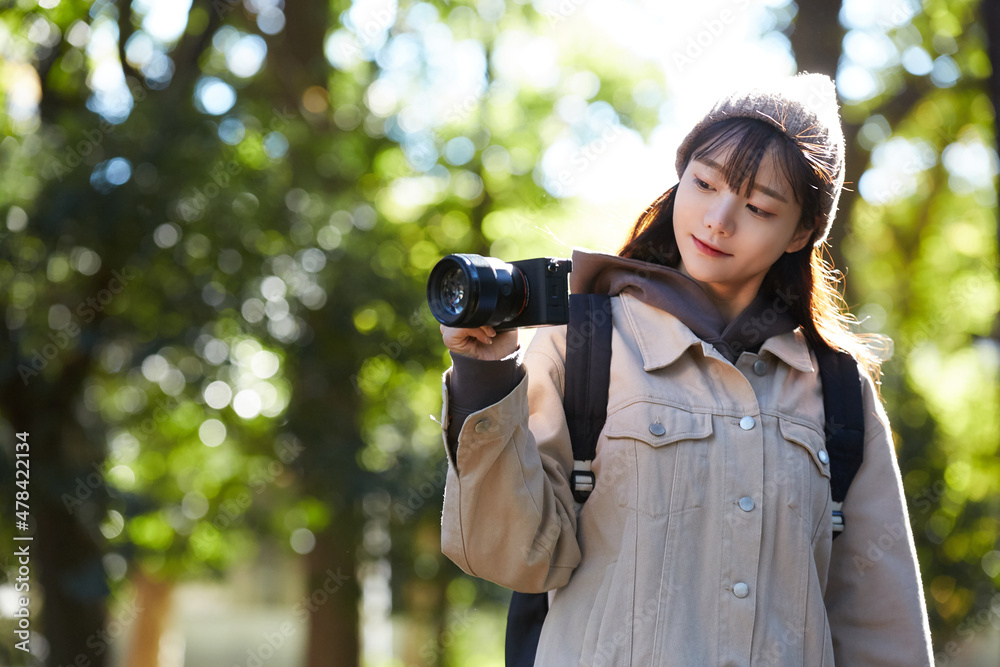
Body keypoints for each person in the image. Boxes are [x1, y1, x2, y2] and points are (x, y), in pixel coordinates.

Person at [436, 73, 934, 665]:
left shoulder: (837, 390)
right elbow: (514, 556)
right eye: (703, 182)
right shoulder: (583, 344)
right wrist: (485, 377)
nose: (718, 219)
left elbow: (880, 623)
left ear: (801, 231)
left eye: (758, 206)